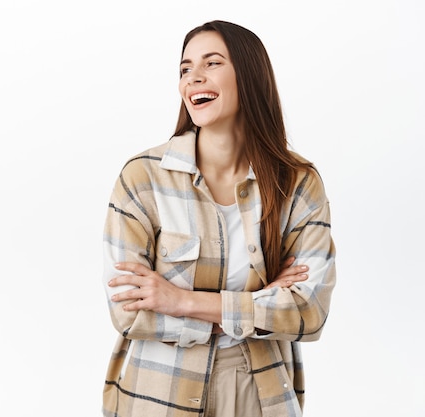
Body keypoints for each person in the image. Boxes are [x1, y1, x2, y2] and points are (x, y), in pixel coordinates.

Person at [101, 20, 336, 417]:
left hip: (258, 393)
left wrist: (182, 301)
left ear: (248, 75)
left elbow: (308, 313)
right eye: (185, 68)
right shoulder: (142, 178)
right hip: (158, 393)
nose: (194, 78)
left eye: (212, 63)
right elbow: (128, 311)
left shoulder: (297, 183)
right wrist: (257, 306)